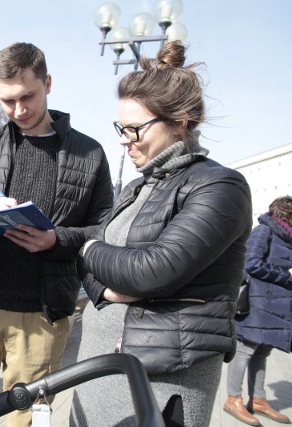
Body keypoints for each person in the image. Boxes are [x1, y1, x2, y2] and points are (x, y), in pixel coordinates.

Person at [69, 41, 253, 427]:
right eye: (121, 127)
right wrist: (105, 286)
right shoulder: (138, 187)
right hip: (98, 369)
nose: (124, 139)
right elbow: (100, 266)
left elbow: (152, 270)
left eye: (135, 128)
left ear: (180, 120)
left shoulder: (219, 187)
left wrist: (88, 248)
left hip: (162, 383)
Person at [0, 42, 113, 427]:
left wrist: (58, 241)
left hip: (43, 316)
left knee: (26, 421)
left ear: (48, 83)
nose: (19, 110)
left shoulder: (91, 154)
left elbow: (105, 229)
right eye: (7, 101)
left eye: (27, 97)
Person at [224, 196, 292, 426]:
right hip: (257, 301)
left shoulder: (287, 236)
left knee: (263, 352)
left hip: (275, 304)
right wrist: (287, 275)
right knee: (245, 350)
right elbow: (251, 262)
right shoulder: (265, 230)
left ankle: (259, 399)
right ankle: (233, 398)